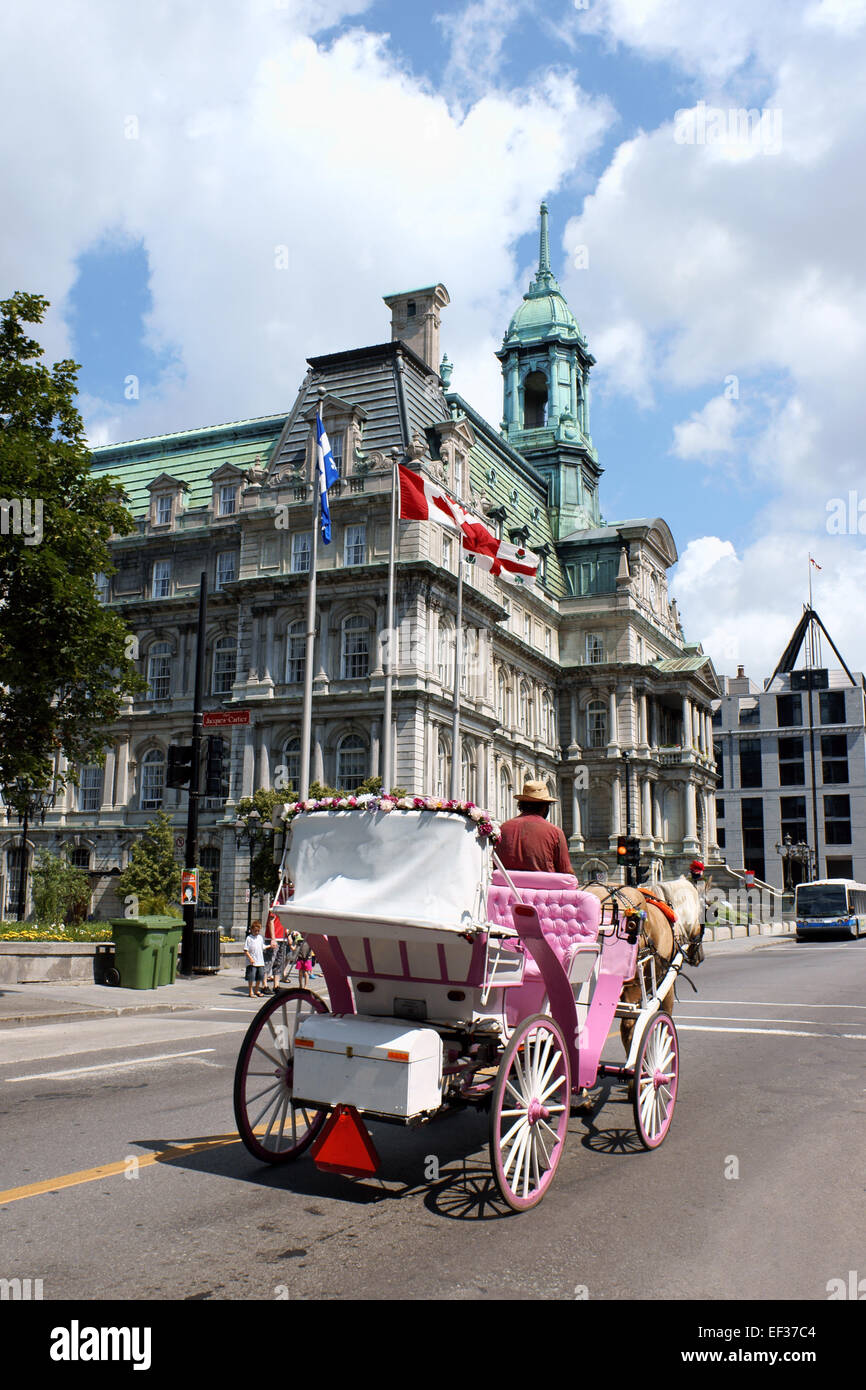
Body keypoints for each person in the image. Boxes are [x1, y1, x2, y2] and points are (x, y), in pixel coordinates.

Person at [497, 780, 572, 874]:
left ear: (521, 804)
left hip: (507, 886)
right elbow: (566, 872)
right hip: (545, 887)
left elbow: (496, 866)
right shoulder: (555, 832)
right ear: (545, 807)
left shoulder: (502, 829)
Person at [263, 908, 287, 993]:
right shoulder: (276, 903)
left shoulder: (286, 903)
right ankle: (264, 985)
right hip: (273, 938)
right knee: (269, 962)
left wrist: (289, 936)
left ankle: (276, 985)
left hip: (282, 937)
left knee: (279, 962)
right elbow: (271, 921)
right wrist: (273, 938)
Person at [244, 920, 267, 998]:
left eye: (258, 931)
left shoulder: (260, 938)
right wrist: (250, 958)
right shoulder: (249, 938)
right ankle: (250, 991)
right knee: (251, 977)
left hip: (260, 961)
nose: (257, 932)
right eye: (255, 931)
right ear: (252, 930)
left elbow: (263, 947)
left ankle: (256, 990)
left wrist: (270, 946)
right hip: (252, 962)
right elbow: (246, 950)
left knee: (260, 976)